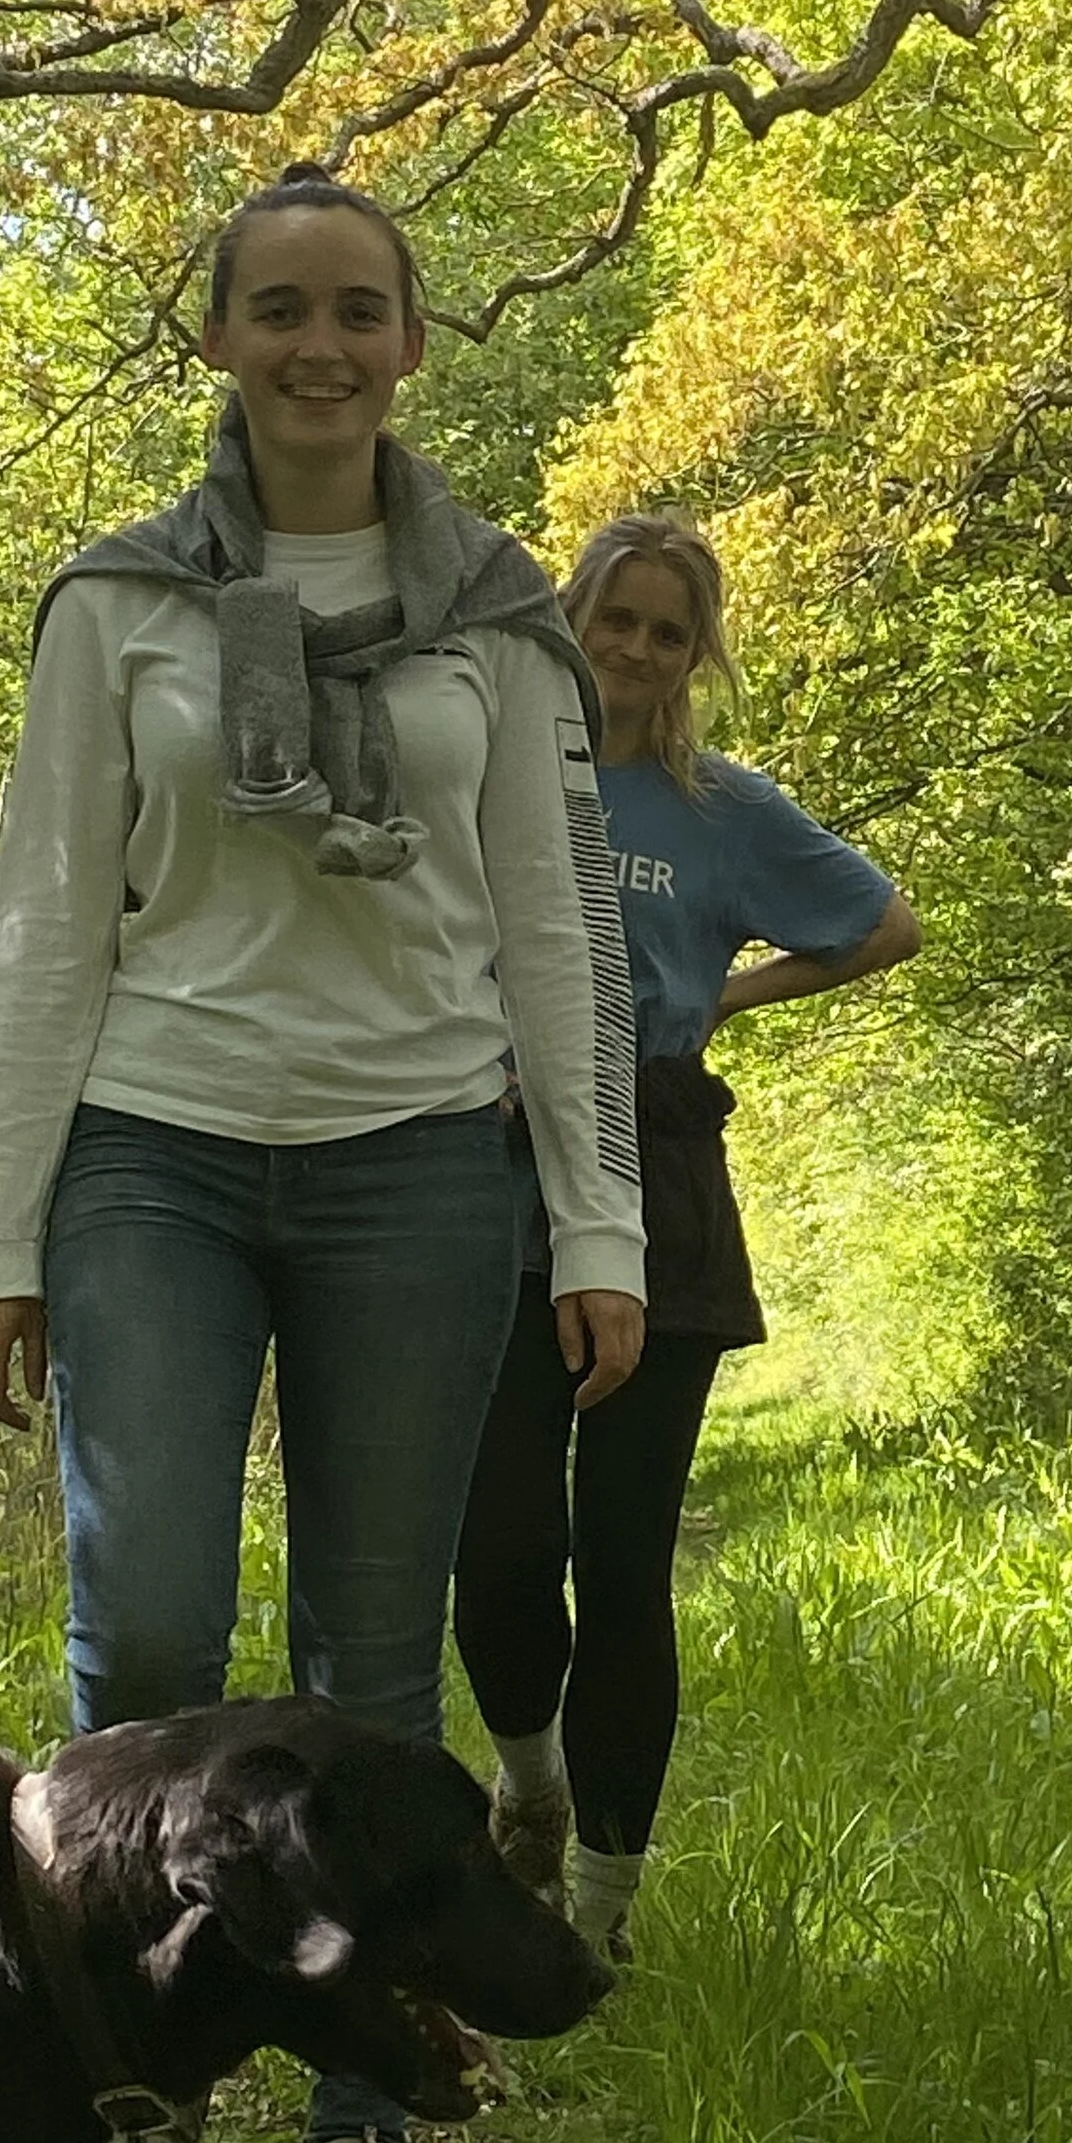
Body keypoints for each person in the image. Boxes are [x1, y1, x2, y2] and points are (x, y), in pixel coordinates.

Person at [0, 162, 645, 2143]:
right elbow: (49, 915)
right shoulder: (119, 605)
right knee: (142, 1638)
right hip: (151, 1148)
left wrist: (591, 1214)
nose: (319, 346)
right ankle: (112, 2080)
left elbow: (557, 929)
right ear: (220, 340)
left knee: (367, 1657)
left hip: (418, 1162)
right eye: (278, 309)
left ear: (412, 343)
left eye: (358, 310)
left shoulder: (507, 621)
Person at [454, 513, 919, 1962]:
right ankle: (528, 1782)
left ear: (694, 652)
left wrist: (724, 1000)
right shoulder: (490, 773)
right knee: (502, 1539)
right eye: (617, 617)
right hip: (489, 1165)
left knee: (626, 1551)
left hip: (659, 1166)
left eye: (668, 629)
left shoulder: (725, 810)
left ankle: (599, 1909)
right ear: (568, 617)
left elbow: (883, 926)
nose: (638, 650)